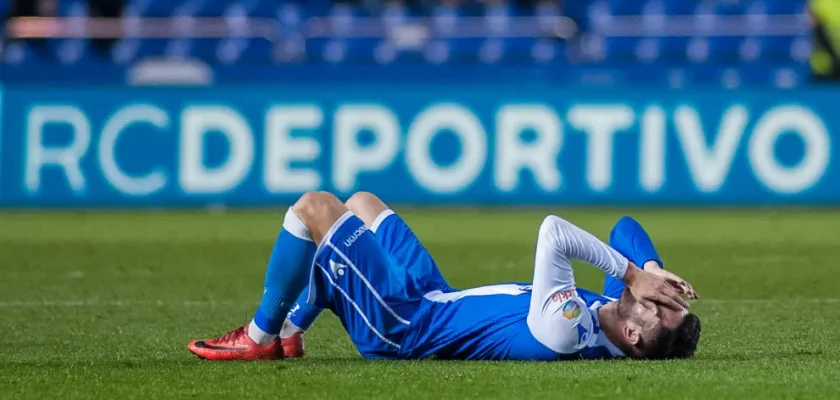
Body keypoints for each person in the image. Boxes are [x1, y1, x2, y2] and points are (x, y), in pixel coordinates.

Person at [188, 191, 700, 361]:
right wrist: (651, 270)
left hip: (407, 324)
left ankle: (259, 337)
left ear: (634, 334)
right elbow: (624, 226)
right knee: (363, 203)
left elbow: (553, 232)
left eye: (660, 305)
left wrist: (631, 271)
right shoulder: (616, 311)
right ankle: (293, 332)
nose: (655, 295)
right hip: (432, 296)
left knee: (316, 208)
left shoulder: (569, 328)